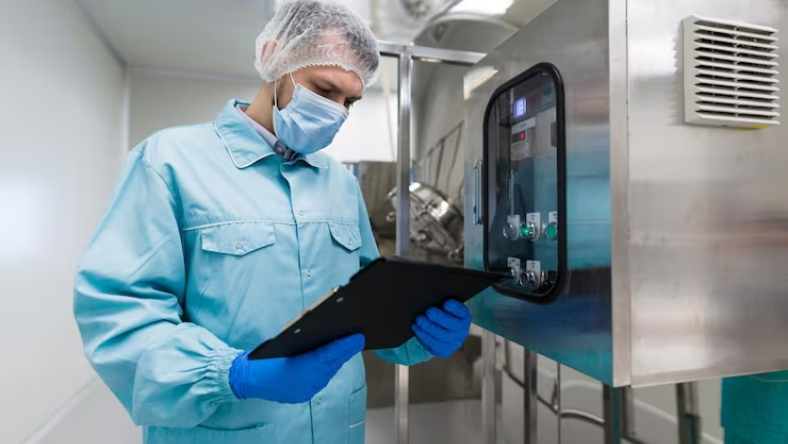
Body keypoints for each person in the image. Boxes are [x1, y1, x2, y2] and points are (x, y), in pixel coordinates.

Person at [72, 1, 473, 443]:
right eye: (324, 90)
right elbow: (119, 312)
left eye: (350, 101)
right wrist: (234, 374)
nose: (337, 112)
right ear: (274, 60)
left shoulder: (339, 183)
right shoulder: (169, 163)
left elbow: (368, 302)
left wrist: (418, 332)